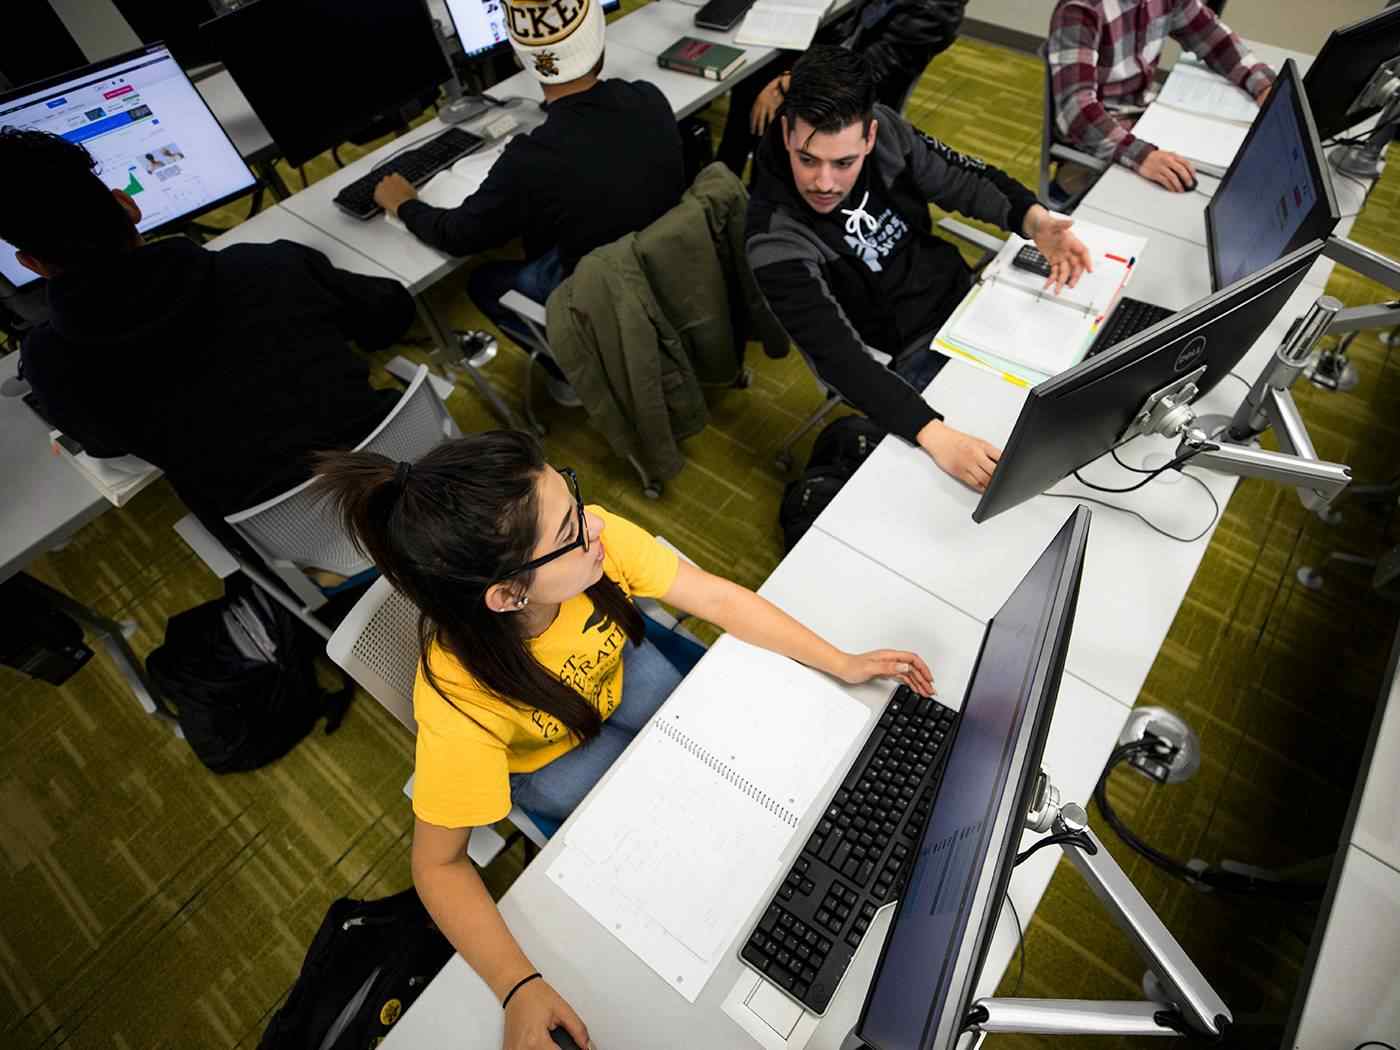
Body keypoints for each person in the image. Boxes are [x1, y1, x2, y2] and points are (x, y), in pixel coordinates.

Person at [310, 431, 935, 1050]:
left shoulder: (592, 539)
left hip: (619, 677)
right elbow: (436, 865)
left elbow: (715, 596)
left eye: (573, 500)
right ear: (507, 595)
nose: (596, 528)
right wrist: (517, 984)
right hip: (551, 754)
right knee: (679, 850)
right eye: (568, 534)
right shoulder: (458, 692)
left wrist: (842, 661)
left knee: (741, 771)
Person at [0, 126, 415, 527]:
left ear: (30, 264)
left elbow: (106, 446)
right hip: (413, 481)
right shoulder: (269, 265)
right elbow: (390, 314)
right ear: (128, 205)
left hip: (302, 538)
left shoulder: (51, 363)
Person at [746, 46, 1094, 493]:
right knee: (1015, 470)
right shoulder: (773, 233)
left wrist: (1035, 221)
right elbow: (838, 357)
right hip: (902, 357)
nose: (824, 183)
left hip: (965, 302)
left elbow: (963, 179)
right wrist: (936, 435)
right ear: (786, 132)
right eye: (807, 159)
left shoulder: (888, 133)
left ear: (869, 138)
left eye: (844, 162)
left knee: (1074, 398)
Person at [373, 0, 686, 394]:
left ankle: (575, 374)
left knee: (485, 281)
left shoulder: (532, 159)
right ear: (599, 43)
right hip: (663, 268)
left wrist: (404, 204)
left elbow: (457, 235)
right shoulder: (647, 96)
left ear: (525, 60)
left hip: (605, 297)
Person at [1048, 0, 1275, 198]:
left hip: (1144, 117)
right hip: (1096, 139)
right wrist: (1141, 156)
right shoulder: (1080, 9)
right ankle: (1063, 193)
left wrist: (1263, 85)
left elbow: (1213, 38)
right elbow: (1074, 109)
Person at [716, 0, 969, 177]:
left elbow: (867, 71)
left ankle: (754, 196)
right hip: (846, 64)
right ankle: (724, 179)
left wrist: (787, 83)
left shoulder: (935, 11)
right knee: (751, 81)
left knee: (772, 105)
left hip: (856, 98)